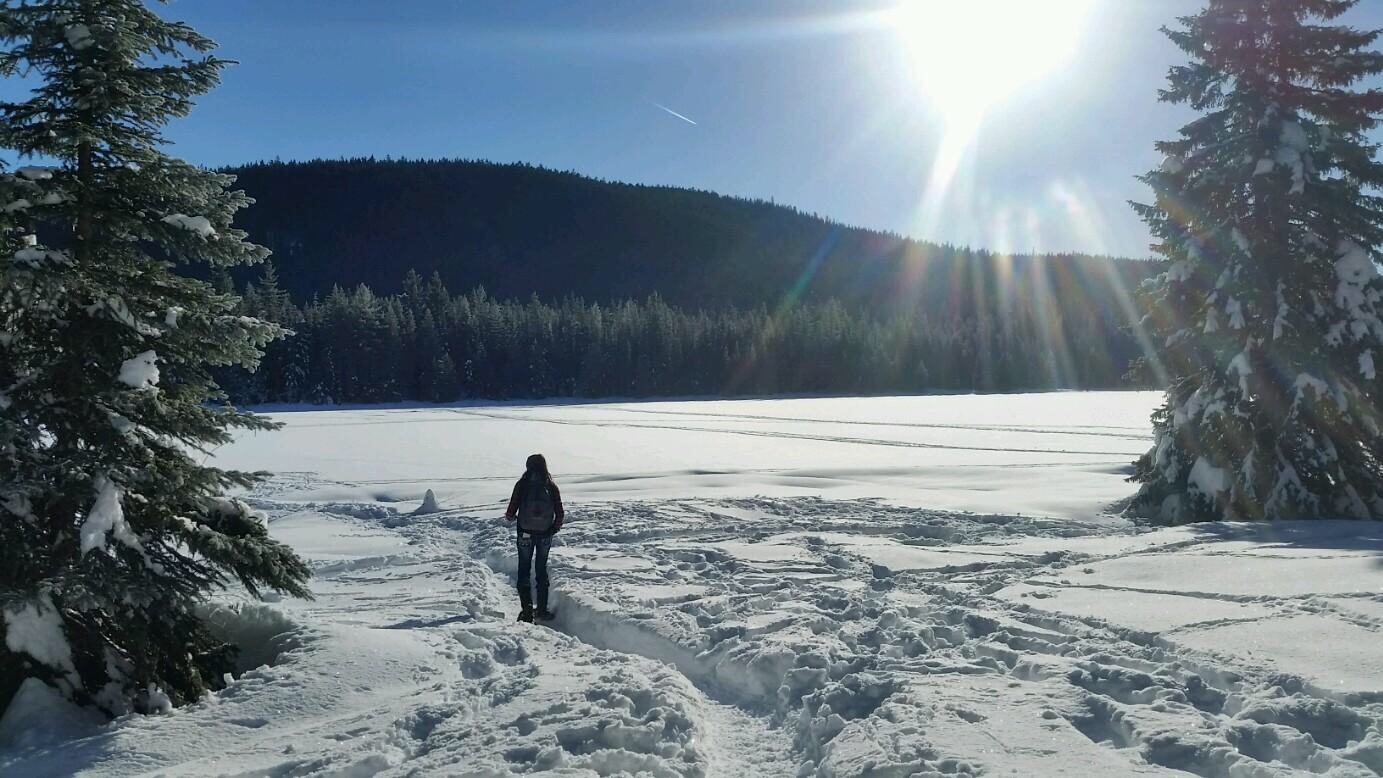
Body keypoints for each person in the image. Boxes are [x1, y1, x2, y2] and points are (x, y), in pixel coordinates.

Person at [504, 453, 564, 623]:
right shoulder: (550, 486)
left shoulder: (522, 485)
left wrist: (513, 518)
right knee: (541, 569)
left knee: (524, 569)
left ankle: (527, 610)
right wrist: (553, 529)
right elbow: (560, 512)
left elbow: (510, 512)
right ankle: (542, 610)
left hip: (525, 533)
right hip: (545, 534)